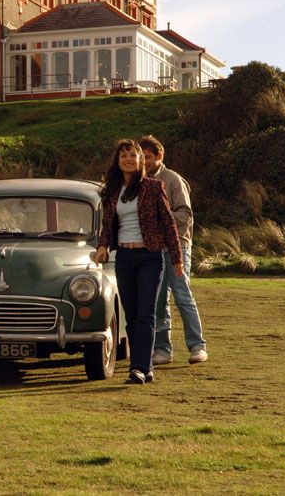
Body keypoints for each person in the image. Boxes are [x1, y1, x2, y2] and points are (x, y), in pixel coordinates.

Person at [94, 139, 183, 385]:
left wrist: (177, 259)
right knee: (131, 315)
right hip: (123, 257)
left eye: (133, 155)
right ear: (117, 161)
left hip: (150, 257)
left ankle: (139, 368)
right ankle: (145, 365)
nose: (128, 160)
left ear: (140, 160)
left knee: (146, 313)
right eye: (123, 156)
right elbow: (107, 225)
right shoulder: (111, 191)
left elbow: (168, 224)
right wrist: (103, 246)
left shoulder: (154, 188)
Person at [140, 135, 208, 365]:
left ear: (159, 156)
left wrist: (159, 218)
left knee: (181, 293)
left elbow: (185, 215)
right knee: (158, 298)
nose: (145, 162)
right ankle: (163, 349)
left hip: (178, 244)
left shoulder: (173, 180)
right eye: (142, 157)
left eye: (148, 157)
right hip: (153, 246)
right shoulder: (139, 181)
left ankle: (197, 345)